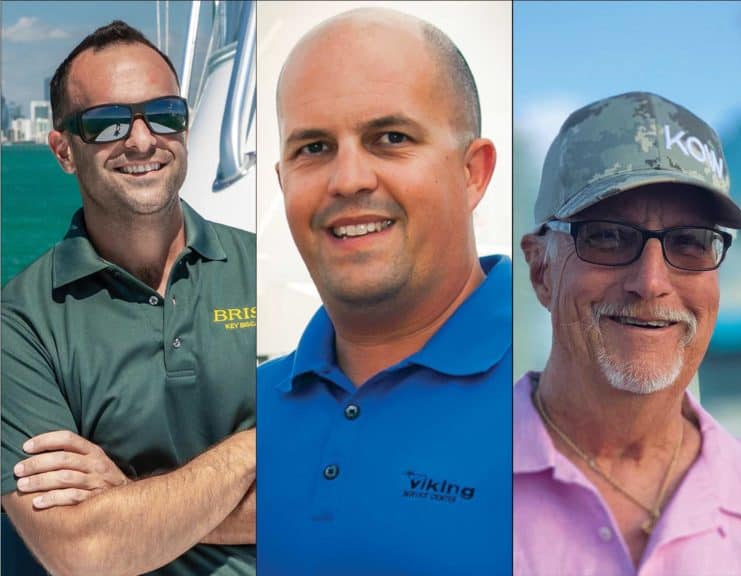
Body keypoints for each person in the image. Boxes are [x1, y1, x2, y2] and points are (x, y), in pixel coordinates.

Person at [257, 8, 510, 574]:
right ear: (283, 182)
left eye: (390, 138)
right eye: (314, 148)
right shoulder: (250, 408)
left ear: (473, 172)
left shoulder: (562, 386)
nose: (349, 180)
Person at [0, 21, 256, 576]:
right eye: (109, 123)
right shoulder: (20, 324)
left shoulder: (267, 270)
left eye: (164, 113)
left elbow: (337, 487)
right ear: (64, 150)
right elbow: (83, 551)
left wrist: (127, 495)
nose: (142, 140)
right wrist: (255, 448)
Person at [514, 91, 741, 575]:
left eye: (691, 242)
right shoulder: (447, 483)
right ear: (540, 271)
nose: (651, 283)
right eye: (607, 237)